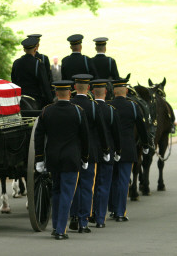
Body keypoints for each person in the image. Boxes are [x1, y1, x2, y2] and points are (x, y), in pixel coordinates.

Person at [34, 80, 89, 240]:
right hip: (71, 159)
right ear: (70, 93)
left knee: (56, 192)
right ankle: (60, 229)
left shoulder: (46, 111)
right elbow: (85, 138)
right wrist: (85, 157)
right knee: (66, 193)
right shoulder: (78, 111)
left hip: (53, 158)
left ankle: (56, 226)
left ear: (56, 93)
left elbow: (38, 137)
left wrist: (39, 158)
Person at [68, 74, 109, 233]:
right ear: (89, 88)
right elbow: (101, 131)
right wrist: (106, 149)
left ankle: (74, 216)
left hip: (72, 152)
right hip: (90, 153)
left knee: (73, 185)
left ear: (74, 88)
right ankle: (83, 221)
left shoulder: (70, 104)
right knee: (86, 187)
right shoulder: (93, 106)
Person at [109, 78, 149, 222]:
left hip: (111, 149)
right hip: (127, 148)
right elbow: (142, 128)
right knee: (123, 181)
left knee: (112, 180)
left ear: (113, 91)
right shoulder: (133, 107)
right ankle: (120, 212)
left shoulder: (109, 106)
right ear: (126, 91)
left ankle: (113, 209)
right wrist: (145, 144)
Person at [89, 79, 121, 228]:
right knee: (103, 186)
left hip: (90, 153)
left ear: (92, 91)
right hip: (106, 152)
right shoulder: (110, 110)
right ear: (106, 92)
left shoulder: (88, 108)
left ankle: (89, 214)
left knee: (90, 185)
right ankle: (100, 218)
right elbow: (116, 134)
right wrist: (117, 151)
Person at [11, 37, 53, 108]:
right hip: (35, 99)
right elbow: (44, 84)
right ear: (35, 49)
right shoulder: (38, 63)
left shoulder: (16, 62)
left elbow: (14, 81)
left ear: (24, 49)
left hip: (19, 99)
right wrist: (51, 101)